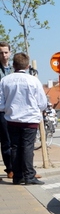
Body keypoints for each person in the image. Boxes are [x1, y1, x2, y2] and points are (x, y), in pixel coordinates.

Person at [0, 52, 48, 185]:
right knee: (27, 147)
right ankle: (29, 176)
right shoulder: (33, 80)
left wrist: (8, 109)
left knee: (14, 147)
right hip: (30, 119)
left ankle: (17, 176)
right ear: (27, 66)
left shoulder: (5, 80)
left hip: (12, 119)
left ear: (13, 65)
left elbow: (1, 103)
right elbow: (42, 102)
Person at [0, 41, 13, 180]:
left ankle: (16, 168)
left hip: (12, 110)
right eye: (1, 53)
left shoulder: (14, 69)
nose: (4, 55)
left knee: (13, 141)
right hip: (1, 110)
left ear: (9, 53)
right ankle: (10, 169)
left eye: (5, 52)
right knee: (6, 141)